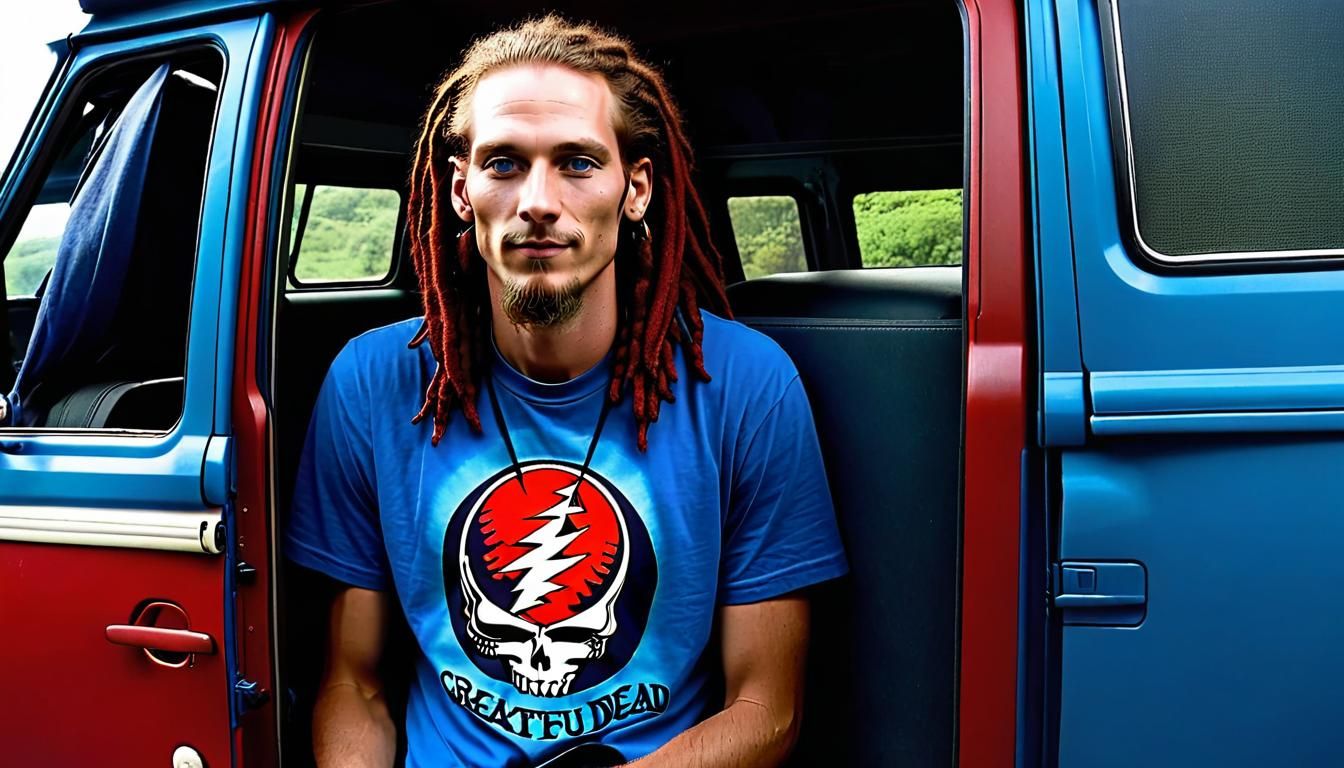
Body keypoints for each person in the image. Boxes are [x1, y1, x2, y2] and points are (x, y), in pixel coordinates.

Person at [285, 14, 846, 768]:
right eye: (504, 163)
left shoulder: (747, 385)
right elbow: (353, 685)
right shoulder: (371, 382)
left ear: (635, 188)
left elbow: (766, 710)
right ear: (461, 190)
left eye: (577, 163)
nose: (539, 201)